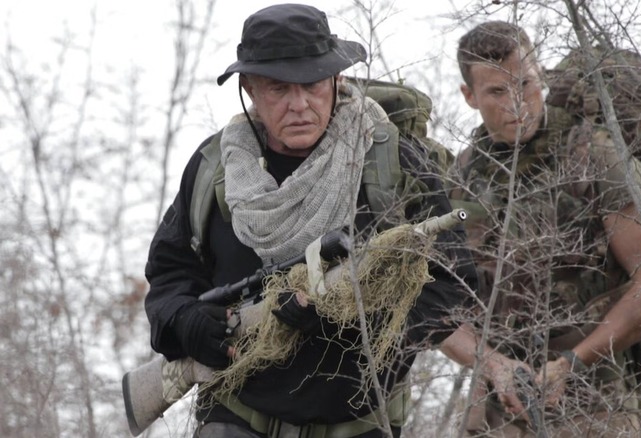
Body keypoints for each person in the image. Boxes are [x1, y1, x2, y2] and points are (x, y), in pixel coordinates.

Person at [142, 4, 482, 438]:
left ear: (337, 81)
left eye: (313, 85)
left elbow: (454, 289)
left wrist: (348, 320)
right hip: (236, 419)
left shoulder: (391, 162)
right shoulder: (215, 167)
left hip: (357, 425)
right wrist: (187, 323)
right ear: (250, 90)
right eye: (278, 88)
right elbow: (170, 274)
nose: (299, 104)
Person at [444, 21, 641, 437]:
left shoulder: (593, 154)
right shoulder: (461, 178)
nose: (517, 103)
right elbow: (436, 309)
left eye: (526, 83)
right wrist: (492, 363)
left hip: (597, 395)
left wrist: (572, 362)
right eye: (497, 91)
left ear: (542, 78)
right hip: (500, 401)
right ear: (469, 96)